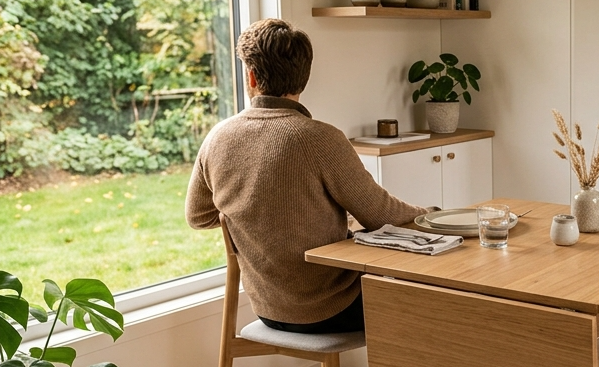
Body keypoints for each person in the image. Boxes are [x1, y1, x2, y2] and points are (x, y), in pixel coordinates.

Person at [185, 18, 432, 335]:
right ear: (304, 78)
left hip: (267, 310)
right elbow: (381, 215)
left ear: (250, 76)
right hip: (333, 307)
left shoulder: (217, 138)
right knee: (435, 299)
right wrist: (433, 216)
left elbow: (198, 216)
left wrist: (253, 209)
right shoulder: (319, 138)